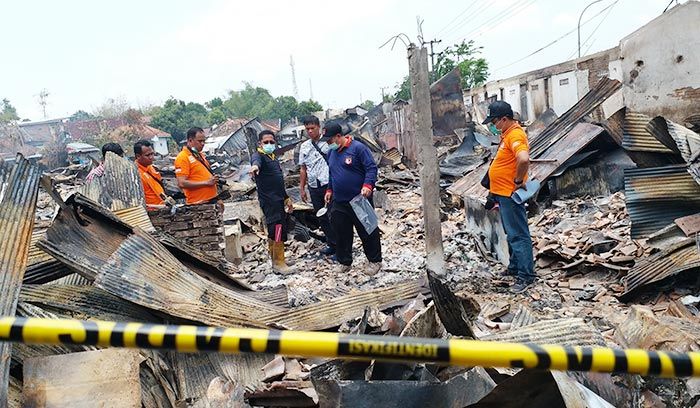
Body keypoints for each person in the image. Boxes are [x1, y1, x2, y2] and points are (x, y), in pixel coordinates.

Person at [482, 100, 535, 294]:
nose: (493, 126)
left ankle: (526, 276)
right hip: (502, 194)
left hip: (511, 195)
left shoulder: (516, 135)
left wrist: (519, 180)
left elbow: (523, 158)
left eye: (494, 122)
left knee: (518, 235)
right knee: (511, 234)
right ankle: (515, 267)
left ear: (504, 119)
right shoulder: (507, 135)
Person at [323, 123, 382, 275]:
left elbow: (371, 168)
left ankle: (375, 261)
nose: (329, 144)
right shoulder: (331, 153)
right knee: (341, 233)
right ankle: (344, 262)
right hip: (339, 201)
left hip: (360, 199)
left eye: (330, 140)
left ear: (338, 136)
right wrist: (329, 189)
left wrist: (368, 185)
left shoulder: (358, 149)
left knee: (368, 231)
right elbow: (332, 173)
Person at [250, 130, 295, 274]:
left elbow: (278, 182)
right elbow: (256, 162)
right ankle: (278, 263)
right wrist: (255, 167)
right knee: (277, 230)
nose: (269, 144)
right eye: (266, 142)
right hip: (270, 202)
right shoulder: (259, 156)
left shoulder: (273, 157)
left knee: (276, 229)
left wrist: (286, 197)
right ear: (260, 143)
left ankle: (277, 259)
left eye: (271, 142)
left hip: (278, 199)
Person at [299, 115, 337, 256]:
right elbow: (303, 168)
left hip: (329, 184)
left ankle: (342, 245)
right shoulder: (304, 147)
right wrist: (302, 188)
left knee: (334, 216)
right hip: (314, 186)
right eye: (307, 129)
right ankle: (331, 244)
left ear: (318, 127)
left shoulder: (328, 143)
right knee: (322, 217)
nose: (309, 131)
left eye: (312, 128)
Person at [174, 127, 219, 205]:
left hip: (211, 200)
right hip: (198, 203)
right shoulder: (183, 157)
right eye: (200, 141)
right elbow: (181, 183)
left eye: (204, 141)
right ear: (190, 140)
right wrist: (206, 183)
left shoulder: (199, 155)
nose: (203, 144)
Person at [134, 139, 174, 209]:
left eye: (152, 154)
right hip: (152, 212)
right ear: (138, 156)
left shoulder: (151, 167)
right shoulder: (135, 174)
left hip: (163, 207)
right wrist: (158, 206)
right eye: (148, 155)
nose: (151, 157)